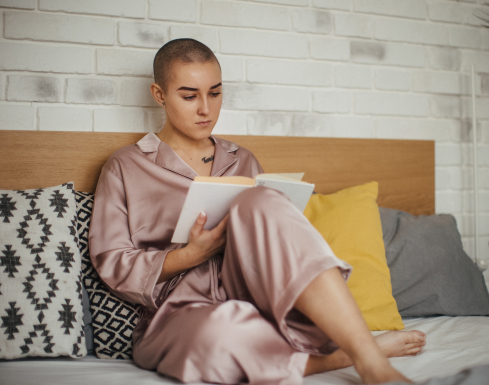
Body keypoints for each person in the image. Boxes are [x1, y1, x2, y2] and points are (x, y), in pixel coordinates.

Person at [89, 38, 425, 385]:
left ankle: (371, 363)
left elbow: (277, 239)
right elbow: (111, 261)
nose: (205, 108)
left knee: (260, 199)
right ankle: (337, 358)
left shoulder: (243, 159)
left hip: (251, 288)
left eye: (215, 93)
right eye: (189, 96)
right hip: (180, 310)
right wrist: (189, 256)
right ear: (159, 95)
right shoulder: (125, 165)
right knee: (219, 334)